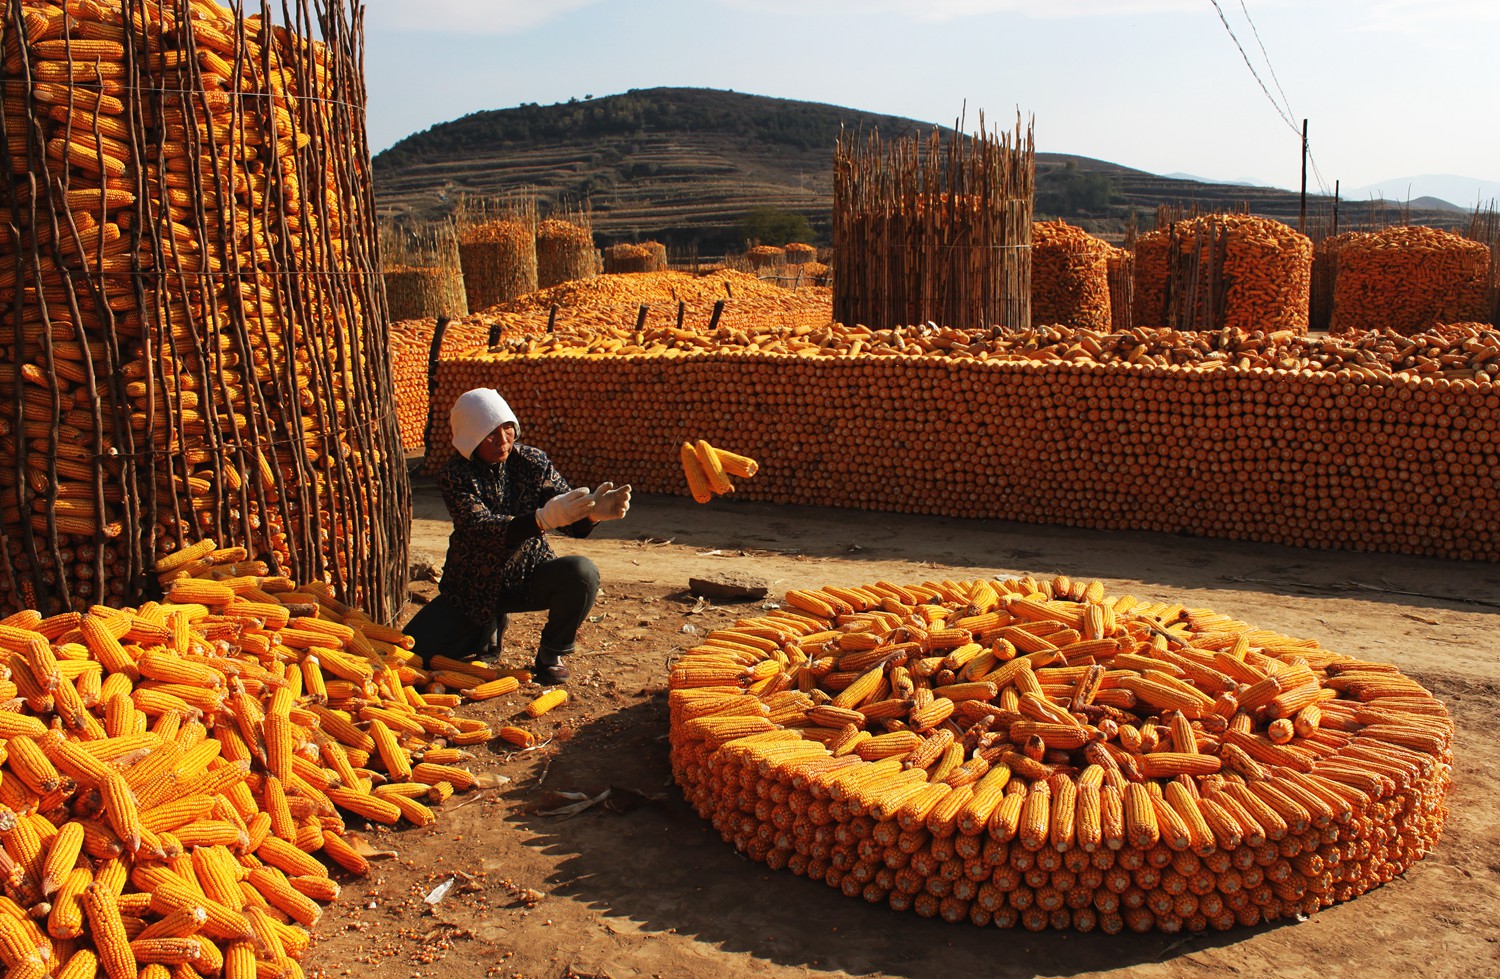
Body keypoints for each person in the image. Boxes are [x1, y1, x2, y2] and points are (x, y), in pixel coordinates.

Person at [403, 388, 630, 684]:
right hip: (473, 587)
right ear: (470, 440)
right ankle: (487, 625)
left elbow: (566, 516)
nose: (503, 441)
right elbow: (479, 526)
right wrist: (540, 519)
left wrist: (592, 513)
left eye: (507, 429)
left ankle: (551, 654)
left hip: (527, 576)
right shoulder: (455, 475)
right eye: (489, 435)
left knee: (581, 573)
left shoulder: (533, 462)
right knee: (415, 654)